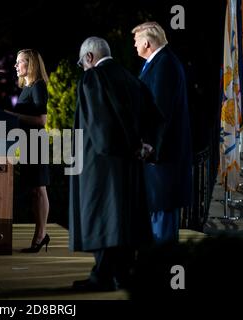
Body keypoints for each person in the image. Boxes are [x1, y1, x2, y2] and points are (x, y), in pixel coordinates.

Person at [69, 36, 156, 291]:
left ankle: (103, 276)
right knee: (124, 218)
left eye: (82, 63)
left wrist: (125, 146)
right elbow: (153, 116)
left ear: (89, 58)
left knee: (103, 218)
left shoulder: (93, 78)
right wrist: (144, 146)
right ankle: (123, 274)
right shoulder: (132, 79)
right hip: (131, 162)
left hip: (101, 163)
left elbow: (100, 124)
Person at [132, 22, 192, 244]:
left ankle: (162, 273)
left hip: (163, 159)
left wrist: (150, 147)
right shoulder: (158, 62)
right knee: (157, 220)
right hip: (160, 160)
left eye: (136, 40)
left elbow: (160, 112)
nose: (134, 45)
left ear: (147, 42)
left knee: (163, 224)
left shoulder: (164, 64)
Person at [7, 49, 51, 253]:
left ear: (30, 64)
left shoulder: (38, 86)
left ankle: (40, 235)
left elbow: (42, 120)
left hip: (36, 142)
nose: (15, 66)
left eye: (19, 62)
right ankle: (40, 234)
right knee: (34, 191)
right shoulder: (26, 88)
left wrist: (12, 115)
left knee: (39, 189)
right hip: (26, 143)